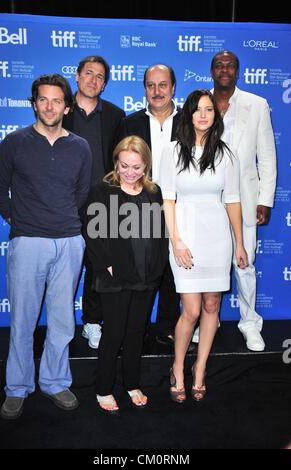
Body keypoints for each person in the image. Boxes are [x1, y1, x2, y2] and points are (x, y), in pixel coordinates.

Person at [0, 74, 92, 419]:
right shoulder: (14, 142)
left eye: (56, 100)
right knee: (23, 319)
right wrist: (18, 221)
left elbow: (81, 195)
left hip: (68, 241)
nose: (50, 106)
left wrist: (66, 225)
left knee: (63, 319)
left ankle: (54, 381)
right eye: (43, 100)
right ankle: (17, 387)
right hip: (28, 242)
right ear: (34, 103)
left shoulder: (80, 146)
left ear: (66, 106)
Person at [159, 89, 248, 403]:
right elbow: (167, 200)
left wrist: (239, 244)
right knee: (191, 310)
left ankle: (199, 369)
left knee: (212, 306)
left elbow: (233, 200)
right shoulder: (172, 152)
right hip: (185, 234)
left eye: (209, 109)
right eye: (197, 109)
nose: (203, 115)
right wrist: (177, 240)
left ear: (216, 115)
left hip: (217, 238)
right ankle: (178, 367)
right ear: (188, 114)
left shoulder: (227, 153)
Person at [192, 50, 277, 351]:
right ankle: (205, 323)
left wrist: (265, 200)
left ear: (238, 71)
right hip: (205, 201)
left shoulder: (257, 105)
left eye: (230, 65)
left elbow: (266, 156)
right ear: (211, 70)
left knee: (244, 263)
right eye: (219, 65)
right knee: (204, 264)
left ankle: (250, 323)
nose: (224, 69)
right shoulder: (200, 105)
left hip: (244, 198)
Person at [83, 136, 168, 414]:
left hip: (146, 277)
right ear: (116, 163)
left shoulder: (154, 192)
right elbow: (93, 235)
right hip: (114, 277)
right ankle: (103, 389)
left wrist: (157, 269)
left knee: (136, 333)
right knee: (114, 333)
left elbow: (158, 235)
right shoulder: (102, 190)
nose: (130, 173)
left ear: (146, 166)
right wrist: (107, 266)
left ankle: (132, 384)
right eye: (124, 166)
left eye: (137, 167)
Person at [63, 55, 125, 349]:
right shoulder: (59, 111)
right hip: (63, 203)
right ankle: (60, 326)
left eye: (100, 77)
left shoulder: (115, 115)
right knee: (63, 267)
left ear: (105, 83)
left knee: (97, 266)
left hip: (102, 204)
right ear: (76, 76)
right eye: (88, 74)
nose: (93, 80)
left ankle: (91, 322)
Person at [118, 64, 181, 346]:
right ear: (144, 89)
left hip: (179, 205)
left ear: (173, 87)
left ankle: (167, 325)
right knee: (139, 268)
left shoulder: (188, 121)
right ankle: (137, 327)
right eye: (151, 85)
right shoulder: (129, 123)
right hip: (139, 205)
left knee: (170, 269)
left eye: (162, 85)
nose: (157, 91)